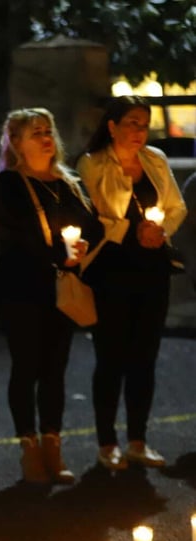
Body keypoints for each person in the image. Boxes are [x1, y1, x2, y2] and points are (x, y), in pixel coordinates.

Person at [0, 107, 97, 484]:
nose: (47, 138)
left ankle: (53, 444)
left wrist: (80, 248)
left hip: (60, 286)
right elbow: (15, 236)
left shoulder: (66, 182)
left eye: (48, 131)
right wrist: (59, 254)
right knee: (26, 365)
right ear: (16, 142)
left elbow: (93, 226)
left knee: (55, 368)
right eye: (36, 132)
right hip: (21, 288)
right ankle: (29, 448)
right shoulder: (8, 185)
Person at [76, 95, 187, 470]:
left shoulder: (155, 159)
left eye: (144, 124)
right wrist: (129, 230)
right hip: (112, 269)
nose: (139, 131)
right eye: (132, 123)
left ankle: (138, 439)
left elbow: (176, 206)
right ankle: (107, 443)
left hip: (153, 269)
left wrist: (161, 230)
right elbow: (92, 211)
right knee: (111, 358)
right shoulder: (93, 163)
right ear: (112, 126)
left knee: (145, 358)